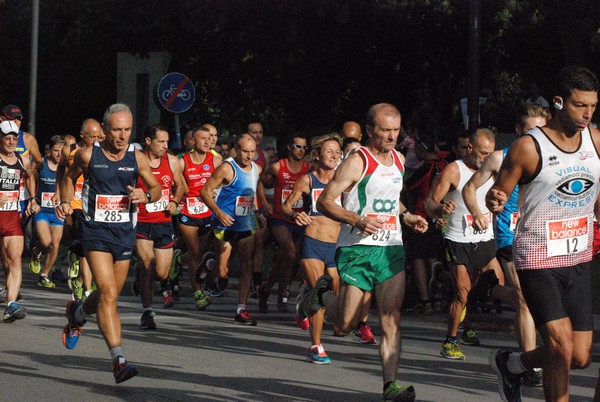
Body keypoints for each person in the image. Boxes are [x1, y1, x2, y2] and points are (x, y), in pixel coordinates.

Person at [486, 65, 599, 402]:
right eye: (580, 105)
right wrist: (495, 198)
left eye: (593, 106)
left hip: (578, 255)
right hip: (537, 254)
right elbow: (500, 192)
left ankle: (513, 364)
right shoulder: (528, 147)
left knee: (579, 356)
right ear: (559, 102)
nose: (587, 114)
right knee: (560, 345)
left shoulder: (595, 141)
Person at [300, 103, 428, 401]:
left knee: (390, 318)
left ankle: (390, 385)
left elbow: (390, 199)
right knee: (344, 325)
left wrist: (406, 217)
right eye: (385, 130)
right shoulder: (357, 162)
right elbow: (326, 202)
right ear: (370, 130)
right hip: (357, 249)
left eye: (396, 130)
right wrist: (357, 219)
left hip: (390, 248)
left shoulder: (398, 159)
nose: (391, 136)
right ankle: (316, 296)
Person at [56, 103, 162, 383]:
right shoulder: (88, 154)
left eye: (127, 129)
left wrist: (146, 196)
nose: (122, 135)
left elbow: (156, 187)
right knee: (109, 292)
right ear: (104, 130)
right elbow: (68, 179)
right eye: (117, 129)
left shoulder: (136, 158)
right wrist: (66, 202)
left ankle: (77, 313)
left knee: (109, 293)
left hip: (124, 232)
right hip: (94, 231)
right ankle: (119, 359)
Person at [462, 103, 549, 387]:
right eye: (531, 130)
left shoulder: (551, 157)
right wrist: (477, 213)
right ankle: (528, 364)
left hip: (541, 235)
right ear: (518, 131)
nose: (537, 136)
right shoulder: (500, 158)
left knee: (536, 300)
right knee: (524, 298)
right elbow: (470, 188)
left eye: (542, 130)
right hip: (510, 235)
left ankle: (492, 288)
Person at [425, 128, 515, 360]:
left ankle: (444, 280)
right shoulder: (454, 170)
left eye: (490, 153)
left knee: (493, 285)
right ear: (470, 148)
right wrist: (441, 209)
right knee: (462, 293)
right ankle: (451, 340)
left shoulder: (495, 170)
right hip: (457, 239)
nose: (486, 158)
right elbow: (430, 203)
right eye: (482, 153)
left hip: (484, 239)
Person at [281, 132, 343, 363]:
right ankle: (316, 346)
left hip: (335, 246)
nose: (334, 155)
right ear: (317, 154)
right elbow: (285, 206)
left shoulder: (343, 181)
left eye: (337, 152)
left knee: (334, 301)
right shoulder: (308, 180)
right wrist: (297, 215)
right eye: (329, 151)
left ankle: (303, 298)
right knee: (320, 292)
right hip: (313, 243)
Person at [200, 134, 265, 326]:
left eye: (253, 152)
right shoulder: (227, 169)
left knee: (247, 265)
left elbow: (250, 193)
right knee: (223, 272)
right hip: (226, 222)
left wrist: (257, 213)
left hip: (245, 223)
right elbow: (205, 191)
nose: (249, 156)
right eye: (245, 151)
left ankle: (241, 309)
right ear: (236, 150)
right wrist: (219, 213)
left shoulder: (257, 169)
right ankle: (210, 264)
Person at [134, 124, 187, 329]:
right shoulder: (136, 160)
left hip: (163, 223)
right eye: (161, 142)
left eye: (167, 142)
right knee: (147, 263)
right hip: (140, 221)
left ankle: (139, 276)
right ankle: (147, 312)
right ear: (148, 141)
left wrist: (175, 201)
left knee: (162, 273)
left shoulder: (172, 161)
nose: (166, 146)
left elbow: (180, 186)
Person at [258, 133, 311, 313]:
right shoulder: (276, 166)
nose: (301, 150)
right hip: (280, 217)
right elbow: (260, 182)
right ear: (289, 147)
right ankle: (282, 292)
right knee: (290, 251)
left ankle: (266, 290)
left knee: (288, 259)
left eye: (304, 147)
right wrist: (265, 204)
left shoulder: (308, 168)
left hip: (299, 218)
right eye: (298, 146)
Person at [58, 119, 102, 301]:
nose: (95, 140)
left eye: (98, 136)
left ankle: (85, 284)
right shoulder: (70, 150)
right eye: (92, 137)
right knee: (78, 239)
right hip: (75, 200)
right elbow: (62, 171)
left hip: (91, 201)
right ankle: (85, 285)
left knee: (86, 243)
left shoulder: (100, 151)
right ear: (83, 135)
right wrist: (58, 194)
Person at [403, 135, 447, 314]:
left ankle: (425, 300)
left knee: (418, 258)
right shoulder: (448, 165)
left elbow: (407, 186)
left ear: (423, 150)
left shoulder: (427, 168)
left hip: (423, 217)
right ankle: (437, 297)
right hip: (444, 217)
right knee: (433, 257)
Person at [177, 126, 220, 309]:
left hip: (207, 212)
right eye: (202, 138)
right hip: (187, 211)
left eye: (209, 138)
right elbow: (175, 184)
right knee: (195, 252)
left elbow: (227, 182)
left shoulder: (216, 161)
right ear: (193, 141)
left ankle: (178, 260)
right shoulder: (182, 162)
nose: (207, 141)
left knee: (200, 254)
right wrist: (177, 198)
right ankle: (198, 294)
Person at [0, 120, 39, 322]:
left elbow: (31, 175)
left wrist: (32, 199)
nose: (11, 141)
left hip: (12, 217)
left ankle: (11, 305)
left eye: (14, 137)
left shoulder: (23, 160)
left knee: (15, 259)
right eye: (6, 137)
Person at [30, 135, 66, 289]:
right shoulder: (41, 164)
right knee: (46, 242)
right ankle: (37, 251)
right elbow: (29, 176)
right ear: (50, 150)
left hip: (57, 211)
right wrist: (32, 199)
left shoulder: (65, 166)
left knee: (55, 245)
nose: (59, 154)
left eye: (61, 151)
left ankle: (44, 275)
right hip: (42, 209)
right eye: (56, 151)